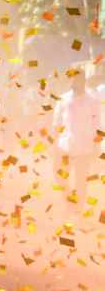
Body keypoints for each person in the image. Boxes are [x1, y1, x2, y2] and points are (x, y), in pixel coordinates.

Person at [52, 63, 101, 211]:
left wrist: (97, 144)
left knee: (81, 181)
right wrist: (54, 143)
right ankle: (68, 202)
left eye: (77, 79)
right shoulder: (63, 99)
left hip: (85, 147)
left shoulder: (92, 100)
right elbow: (56, 122)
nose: (74, 82)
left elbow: (98, 124)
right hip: (65, 146)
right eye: (72, 79)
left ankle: (78, 209)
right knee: (60, 176)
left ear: (83, 81)